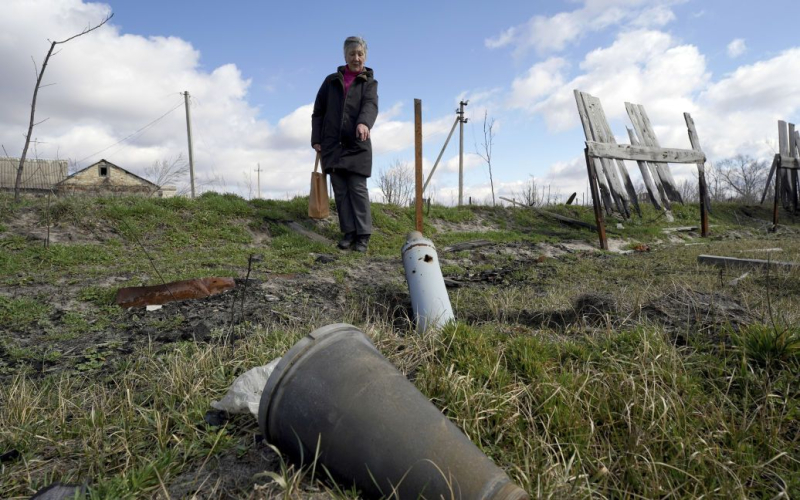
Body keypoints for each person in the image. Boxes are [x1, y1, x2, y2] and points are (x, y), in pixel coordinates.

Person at [311, 36, 378, 253]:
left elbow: (370, 105)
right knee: (340, 191)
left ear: (365, 56)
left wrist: (363, 123)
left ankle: (363, 235)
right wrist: (317, 139)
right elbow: (318, 112)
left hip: (358, 143)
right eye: (352, 54)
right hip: (333, 145)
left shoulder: (369, 82)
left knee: (357, 189)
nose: (356, 58)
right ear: (345, 56)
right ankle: (348, 233)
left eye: (360, 54)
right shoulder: (330, 81)